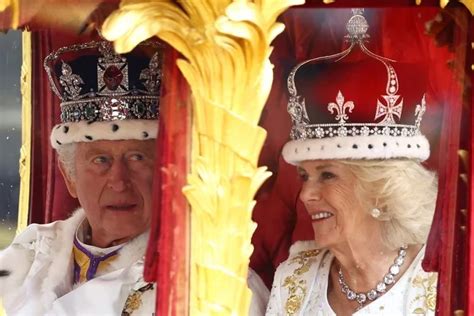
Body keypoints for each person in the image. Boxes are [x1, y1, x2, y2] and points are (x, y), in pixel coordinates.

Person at [265, 9, 438, 316]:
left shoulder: (435, 286)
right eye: (304, 175)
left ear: (381, 187)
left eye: (327, 175)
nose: (306, 194)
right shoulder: (293, 280)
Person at [0, 38, 162, 315]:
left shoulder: (200, 277)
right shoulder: (30, 253)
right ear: (69, 176)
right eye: (101, 160)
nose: (119, 181)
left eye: (137, 157)